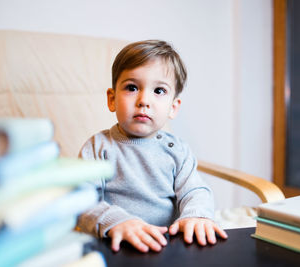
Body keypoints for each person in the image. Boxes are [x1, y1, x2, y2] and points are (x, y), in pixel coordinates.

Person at [77, 40, 228, 253]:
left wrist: (196, 215)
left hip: (167, 246)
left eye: (158, 90)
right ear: (112, 99)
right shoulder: (97, 147)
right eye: (131, 88)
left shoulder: (177, 150)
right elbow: (81, 199)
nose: (144, 100)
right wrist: (116, 221)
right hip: (114, 243)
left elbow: (195, 191)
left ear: (173, 107)